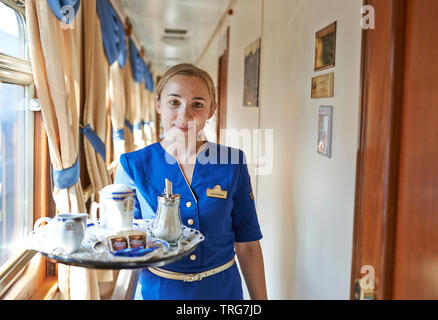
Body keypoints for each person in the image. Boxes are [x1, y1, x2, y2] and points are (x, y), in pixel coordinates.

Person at [114, 63, 267, 300]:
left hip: (222, 292)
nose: (184, 115)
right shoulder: (133, 165)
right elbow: (130, 248)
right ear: (158, 104)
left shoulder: (232, 163)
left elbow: (247, 244)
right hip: (160, 292)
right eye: (174, 102)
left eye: (197, 104)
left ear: (212, 110)